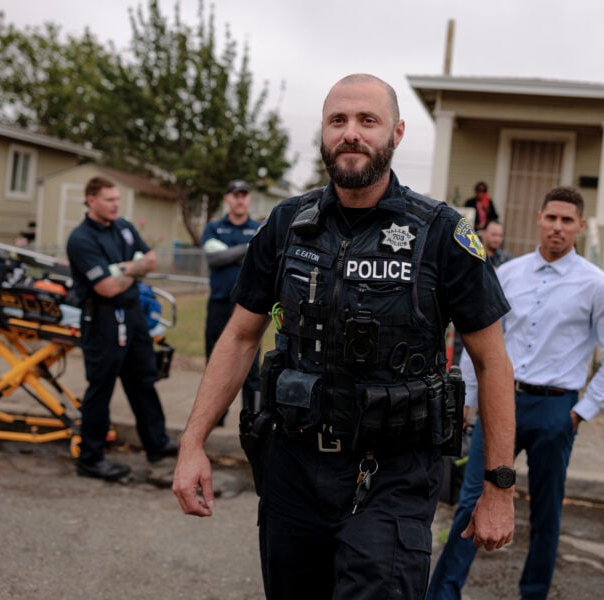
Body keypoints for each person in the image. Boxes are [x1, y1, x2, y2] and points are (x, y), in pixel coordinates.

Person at [172, 73, 517, 600]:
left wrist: (498, 486)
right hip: (291, 467)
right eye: (338, 121)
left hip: (391, 474)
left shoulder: (442, 234)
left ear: (396, 133)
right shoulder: (287, 223)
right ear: (324, 132)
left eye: (367, 121)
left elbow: (492, 362)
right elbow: (241, 336)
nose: (351, 133)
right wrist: (192, 443)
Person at [427, 186, 604, 600]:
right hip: (500, 403)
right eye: (552, 218)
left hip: (555, 410)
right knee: (472, 500)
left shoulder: (598, 285)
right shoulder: (507, 274)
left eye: (567, 220)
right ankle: (442, 594)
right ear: (539, 218)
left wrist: (578, 414)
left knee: (545, 512)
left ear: (580, 226)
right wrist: (468, 400)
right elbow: (480, 344)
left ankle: (533, 594)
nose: (558, 227)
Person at [66, 176, 178, 481]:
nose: (116, 204)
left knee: (144, 379)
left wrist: (124, 270)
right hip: (102, 319)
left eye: (117, 199)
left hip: (133, 315)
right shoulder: (81, 239)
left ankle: (157, 444)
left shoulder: (124, 228)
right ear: (91, 200)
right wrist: (133, 269)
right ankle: (91, 458)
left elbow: (151, 260)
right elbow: (106, 288)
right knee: (100, 389)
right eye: (109, 199)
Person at [201, 179, 262, 423]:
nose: (239, 199)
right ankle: (216, 415)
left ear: (249, 199)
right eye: (235, 195)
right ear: (227, 198)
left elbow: (260, 261)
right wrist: (247, 250)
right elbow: (213, 259)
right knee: (214, 364)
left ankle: (252, 418)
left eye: (244, 195)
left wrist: (230, 253)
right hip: (218, 304)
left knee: (250, 367)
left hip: (249, 307)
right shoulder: (214, 227)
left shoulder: (259, 228)